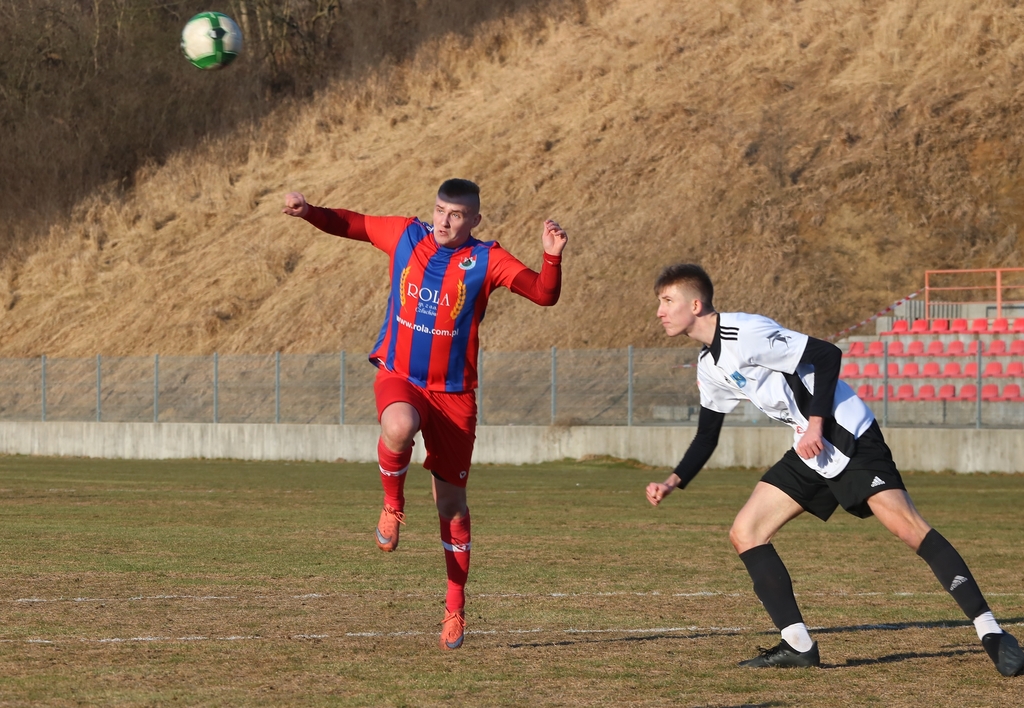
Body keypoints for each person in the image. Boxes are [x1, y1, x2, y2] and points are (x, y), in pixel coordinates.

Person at [645, 263, 1023, 676]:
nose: (660, 311)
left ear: (695, 305)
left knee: (909, 528)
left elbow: (827, 355)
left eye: (667, 301)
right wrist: (673, 481)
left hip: (846, 431)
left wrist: (816, 424)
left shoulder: (745, 331)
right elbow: (707, 435)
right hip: (809, 445)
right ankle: (798, 645)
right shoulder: (708, 365)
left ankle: (991, 632)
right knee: (746, 532)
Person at [282, 179, 567, 650]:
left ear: (475, 220)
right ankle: (392, 504)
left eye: (455, 215)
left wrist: (551, 257)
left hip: (455, 397)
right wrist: (309, 210)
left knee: (451, 508)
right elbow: (352, 224)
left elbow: (542, 294)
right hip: (401, 376)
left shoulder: (487, 259)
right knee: (399, 425)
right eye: (439, 210)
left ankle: (454, 607)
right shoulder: (406, 235)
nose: (444, 221)